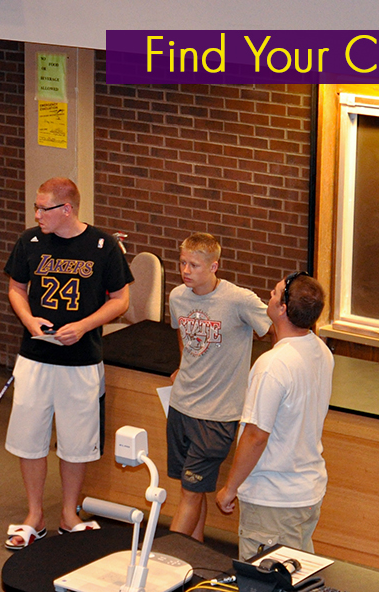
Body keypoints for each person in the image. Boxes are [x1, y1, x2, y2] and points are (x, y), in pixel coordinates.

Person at [3, 177, 132, 549]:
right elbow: (16, 288)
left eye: (44, 208)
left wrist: (85, 325)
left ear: (67, 209)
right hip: (35, 357)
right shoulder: (28, 241)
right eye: (36, 207)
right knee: (30, 439)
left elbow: (121, 300)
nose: (37, 214)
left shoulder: (103, 246)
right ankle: (33, 516)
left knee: (77, 443)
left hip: (81, 359)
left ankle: (69, 514)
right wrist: (28, 321)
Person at [215, 271, 332, 558]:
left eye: (275, 292)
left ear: (282, 309)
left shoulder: (272, 366)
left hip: (273, 502)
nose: (270, 294)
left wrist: (230, 488)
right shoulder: (320, 350)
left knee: (263, 583)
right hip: (306, 493)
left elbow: (256, 436)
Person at [166, 232, 271, 542]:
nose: (186, 270)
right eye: (183, 262)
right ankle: (192, 562)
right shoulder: (177, 296)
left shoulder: (240, 300)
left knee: (188, 493)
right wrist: (185, 366)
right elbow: (182, 335)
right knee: (193, 491)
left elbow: (275, 328)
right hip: (181, 407)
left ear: (214, 267)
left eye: (194, 265)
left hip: (217, 416)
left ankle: (162, 565)